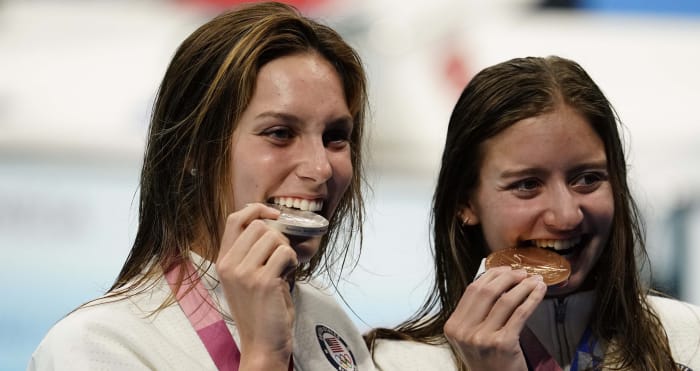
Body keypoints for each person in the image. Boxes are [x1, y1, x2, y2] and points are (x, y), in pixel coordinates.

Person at [29, 2, 375, 370]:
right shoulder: (94, 346)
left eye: (336, 137)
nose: (320, 167)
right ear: (193, 151)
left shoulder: (324, 319)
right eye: (280, 133)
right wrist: (264, 356)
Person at [366, 56, 700, 370]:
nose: (566, 216)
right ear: (465, 203)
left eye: (587, 179)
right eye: (527, 184)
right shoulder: (391, 363)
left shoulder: (690, 341)